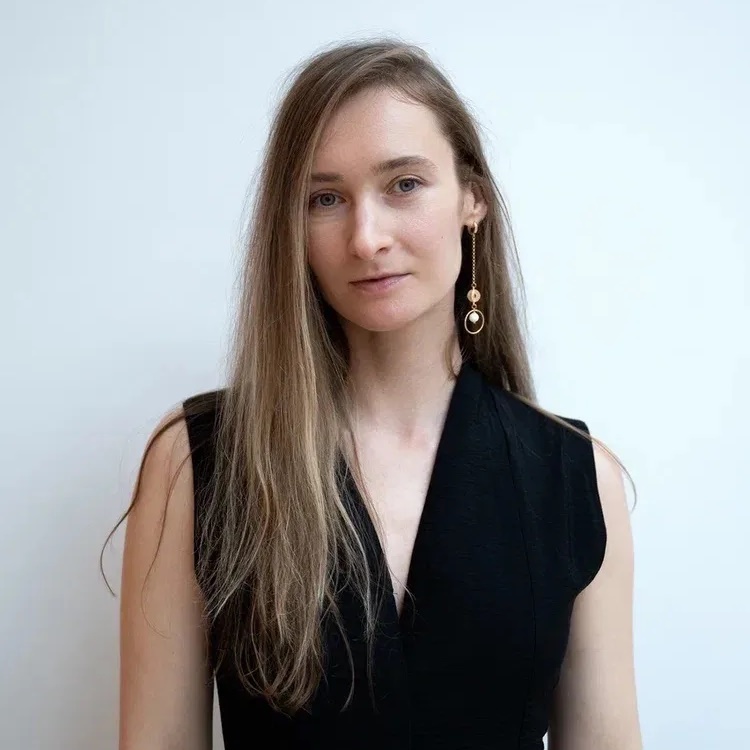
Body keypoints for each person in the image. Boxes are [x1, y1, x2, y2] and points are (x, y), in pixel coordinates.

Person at [109, 38, 643, 749]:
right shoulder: (197, 463)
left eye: (404, 184)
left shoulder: (576, 478)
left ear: (473, 199)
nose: (366, 238)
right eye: (325, 199)